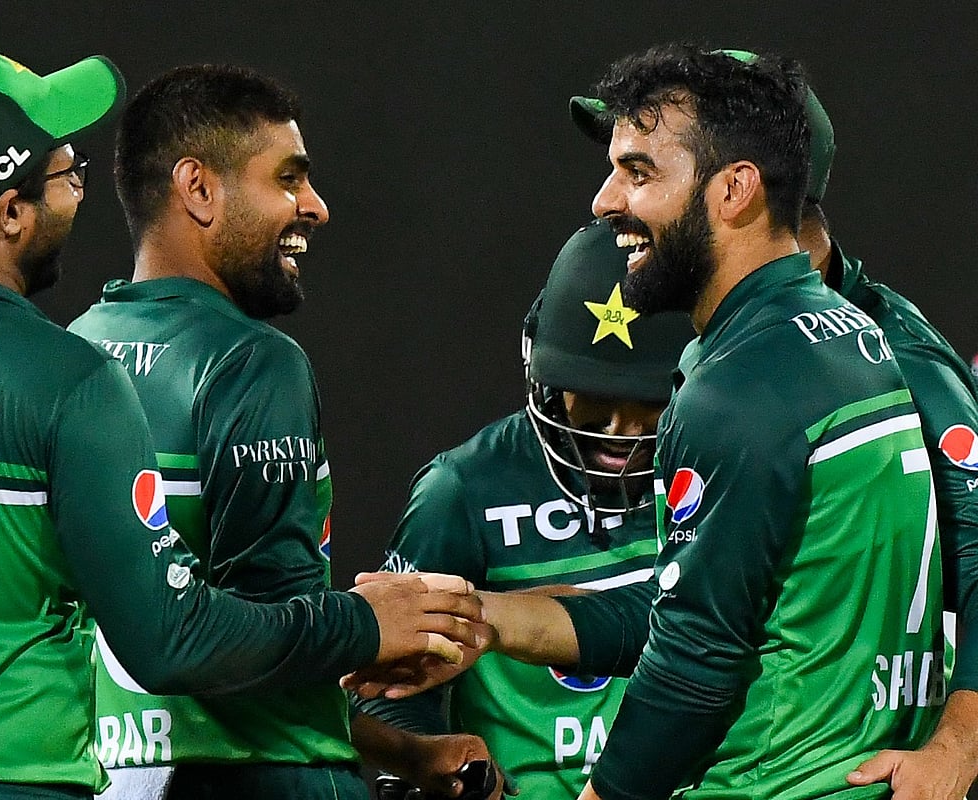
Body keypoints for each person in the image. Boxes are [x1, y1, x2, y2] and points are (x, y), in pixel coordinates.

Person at [0, 51, 482, 800]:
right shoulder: (66, 378)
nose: (80, 193)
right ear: (11, 211)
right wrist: (363, 622)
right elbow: (173, 640)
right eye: (67, 172)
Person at [67, 63, 484, 800]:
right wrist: (372, 621)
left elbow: (225, 648)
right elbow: (261, 642)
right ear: (198, 188)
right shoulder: (249, 363)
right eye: (288, 179)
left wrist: (405, 752)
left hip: (103, 775)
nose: (315, 207)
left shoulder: (73, 351)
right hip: (256, 781)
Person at [572, 53, 978, 799]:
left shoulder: (742, 384)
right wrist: (499, 620)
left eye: (637, 172)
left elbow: (696, 657)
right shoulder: (856, 335)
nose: (603, 202)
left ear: (735, 188)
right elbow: (734, 594)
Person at [353, 218, 694, 798]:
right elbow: (391, 692)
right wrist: (443, 767)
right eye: (595, 397)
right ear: (543, 370)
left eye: (648, 403)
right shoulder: (461, 491)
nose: (621, 432)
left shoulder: (718, 471)